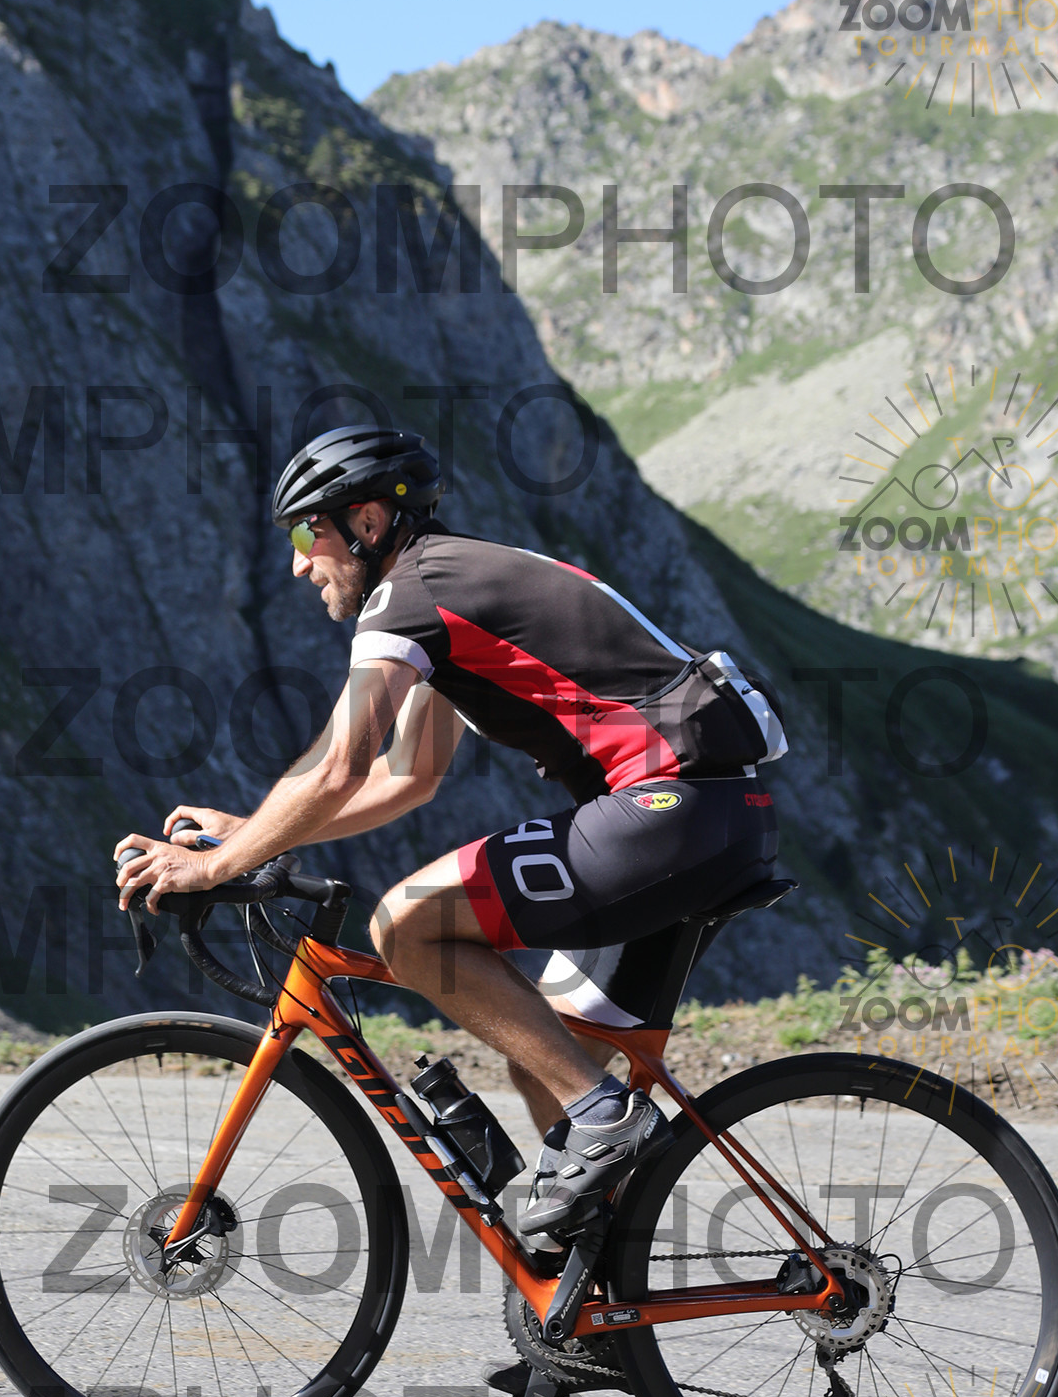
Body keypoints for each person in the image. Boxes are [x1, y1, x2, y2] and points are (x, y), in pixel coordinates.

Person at [114, 425, 786, 1238]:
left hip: (671, 811)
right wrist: (257, 832)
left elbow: (338, 767)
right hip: (709, 817)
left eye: (306, 535)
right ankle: (587, 1294)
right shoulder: (447, 592)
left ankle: (606, 1119)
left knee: (408, 925)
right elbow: (404, 777)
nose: (298, 564)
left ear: (366, 522)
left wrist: (209, 870)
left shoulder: (412, 594)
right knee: (547, 1063)